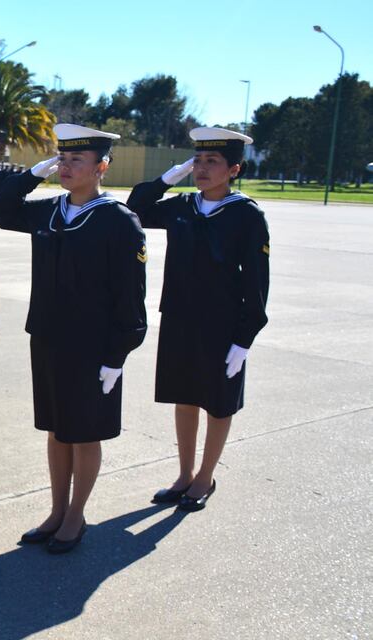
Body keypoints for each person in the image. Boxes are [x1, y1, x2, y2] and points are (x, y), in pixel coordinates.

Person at [0, 123, 148, 554]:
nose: (66, 166)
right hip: (49, 340)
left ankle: (76, 516)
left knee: (84, 432)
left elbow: (131, 297)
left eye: (77, 159)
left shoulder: (119, 222)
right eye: (62, 158)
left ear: (102, 167)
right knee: (58, 430)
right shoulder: (50, 211)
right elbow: (0, 211)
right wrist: (31, 174)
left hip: (94, 348)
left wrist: (118, 355)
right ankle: (57, 510)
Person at [126, 127, 270, 512]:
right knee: (185, 398)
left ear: (234, 169)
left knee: (218, 404)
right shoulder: (182, 206)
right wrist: (169, 177)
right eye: (198, 162)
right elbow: (135, 208)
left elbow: (258, 280)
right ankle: (184, 474)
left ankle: (206, 476)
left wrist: (245, 338)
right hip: (179, 319)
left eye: (213, 162)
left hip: (222, 326)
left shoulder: (246, 215)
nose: (202, 170)